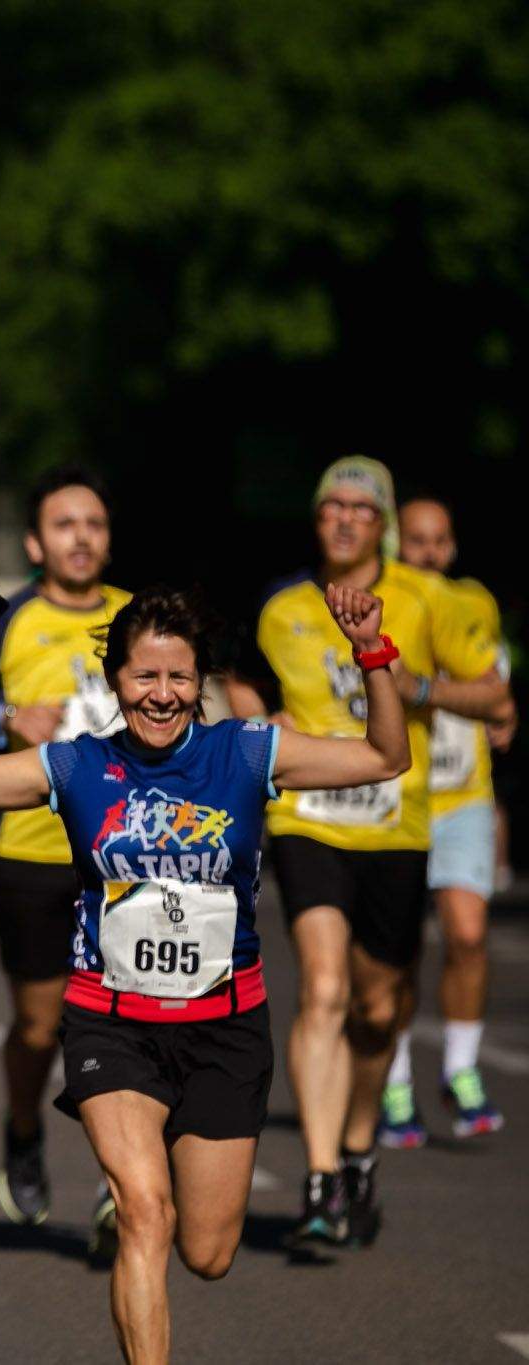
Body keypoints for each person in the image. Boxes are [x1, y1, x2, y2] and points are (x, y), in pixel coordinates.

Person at [0, 581, 408, 1365]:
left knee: (207, 1251)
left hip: (225, 1026)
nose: (162, 694)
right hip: (112, 1024)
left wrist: (372, 655)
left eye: (179, 677)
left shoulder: (246, 752)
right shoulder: (78, 765)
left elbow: (387, 755)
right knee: (145, 1210)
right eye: (144, 676)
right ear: (115, 681)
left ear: (201, 683)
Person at [227, 457, 508, 1248]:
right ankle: (320, 1178)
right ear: (315, 520)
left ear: (382, 523)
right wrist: (264, 721)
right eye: (331, 507)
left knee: (380, 1008)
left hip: (397, 824)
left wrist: (418, 689)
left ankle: (357, 1149)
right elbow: (241, 681)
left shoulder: (428, 598)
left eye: (361, 508)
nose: (345, 520)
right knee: (321, 987)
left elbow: (495, 693)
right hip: (310, 817)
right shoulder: (281, 605)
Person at [0, 467, 129, 1235]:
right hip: (31, 847)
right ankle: (23, 1128)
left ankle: (118, 1177)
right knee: (40, 1025)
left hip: (128, 853)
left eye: (93, 523)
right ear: (36, 542)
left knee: (121, 1020)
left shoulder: (138, 615)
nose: (82, 537)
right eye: (65, 524)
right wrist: (4, 715)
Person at [377, 497, 515, 1144]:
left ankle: (460, 1069)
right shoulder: (383, 599)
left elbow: (495, 680)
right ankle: (396, 1080)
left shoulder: (475, 601)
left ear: (453, 547)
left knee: (466, 934)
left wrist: (501, 711)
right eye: (416, 539)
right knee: (398, 952)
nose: (428, 550)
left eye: (439, 540)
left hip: (463, 792)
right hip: (402, 796)